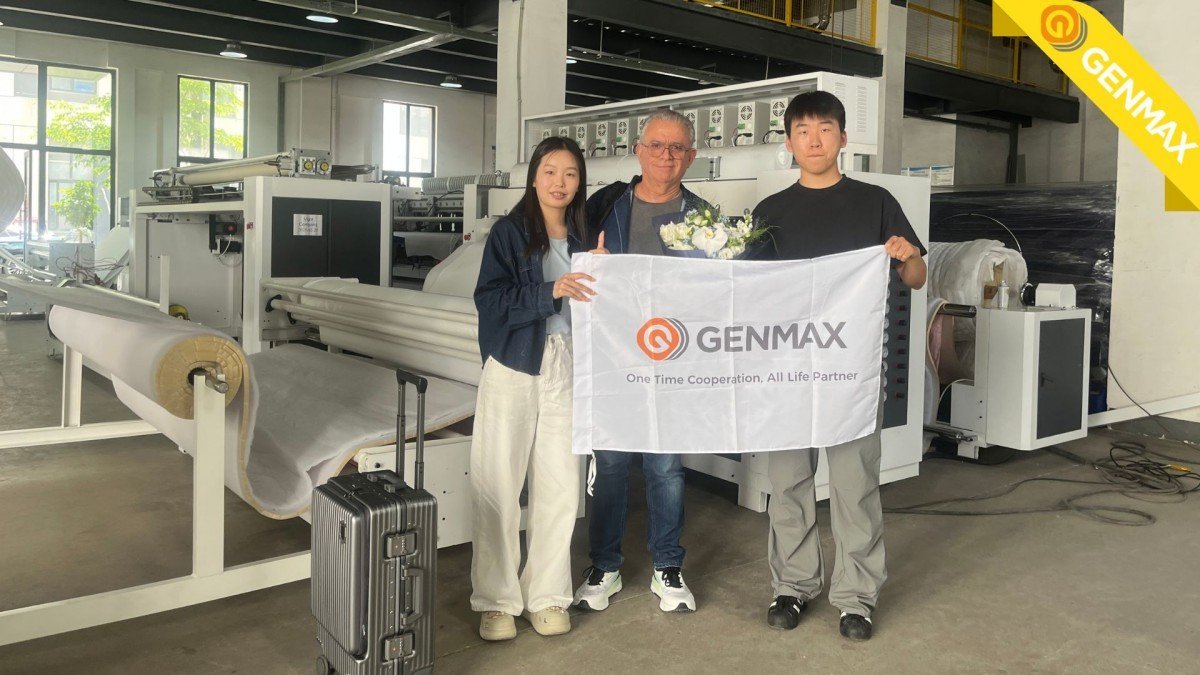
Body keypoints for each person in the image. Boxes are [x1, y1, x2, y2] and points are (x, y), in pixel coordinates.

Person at [751, 91, 927, 641]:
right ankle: (793, 587)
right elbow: (747, 293)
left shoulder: (874, 202)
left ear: (843, 139)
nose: (814, 140)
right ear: (790, 143)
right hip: (784, 368)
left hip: (851, 372)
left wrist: (907, 257)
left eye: (825, 129)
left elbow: (917, 278)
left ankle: (856, 597)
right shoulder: (770, 213)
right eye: (803, 131)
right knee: (788, 484)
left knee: (854, 486)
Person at [572, 108, 716, 614]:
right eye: (656, 145)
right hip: (612, 358)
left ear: (692, 156)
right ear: (639, 150)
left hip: (672, 361)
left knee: (666, 469)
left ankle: (667, 567)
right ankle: (605, 566)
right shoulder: (605, 206)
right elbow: (571, 269)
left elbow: (720, 296)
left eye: (678, 148)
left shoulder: (706, 219)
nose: (667, 156)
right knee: (609, 465)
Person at [470, 136, 607, 641]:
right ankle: (497, 600)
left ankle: (548, 594)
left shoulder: (587, 235)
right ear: (534, 176)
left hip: (569, 365)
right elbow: (491, 301)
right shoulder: (509, 233)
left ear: (580, 183)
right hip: (514, 364)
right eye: (550, 171)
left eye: (570, 174)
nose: (560, 183)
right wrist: (550, 291)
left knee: (561, 485)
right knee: (499, 483)